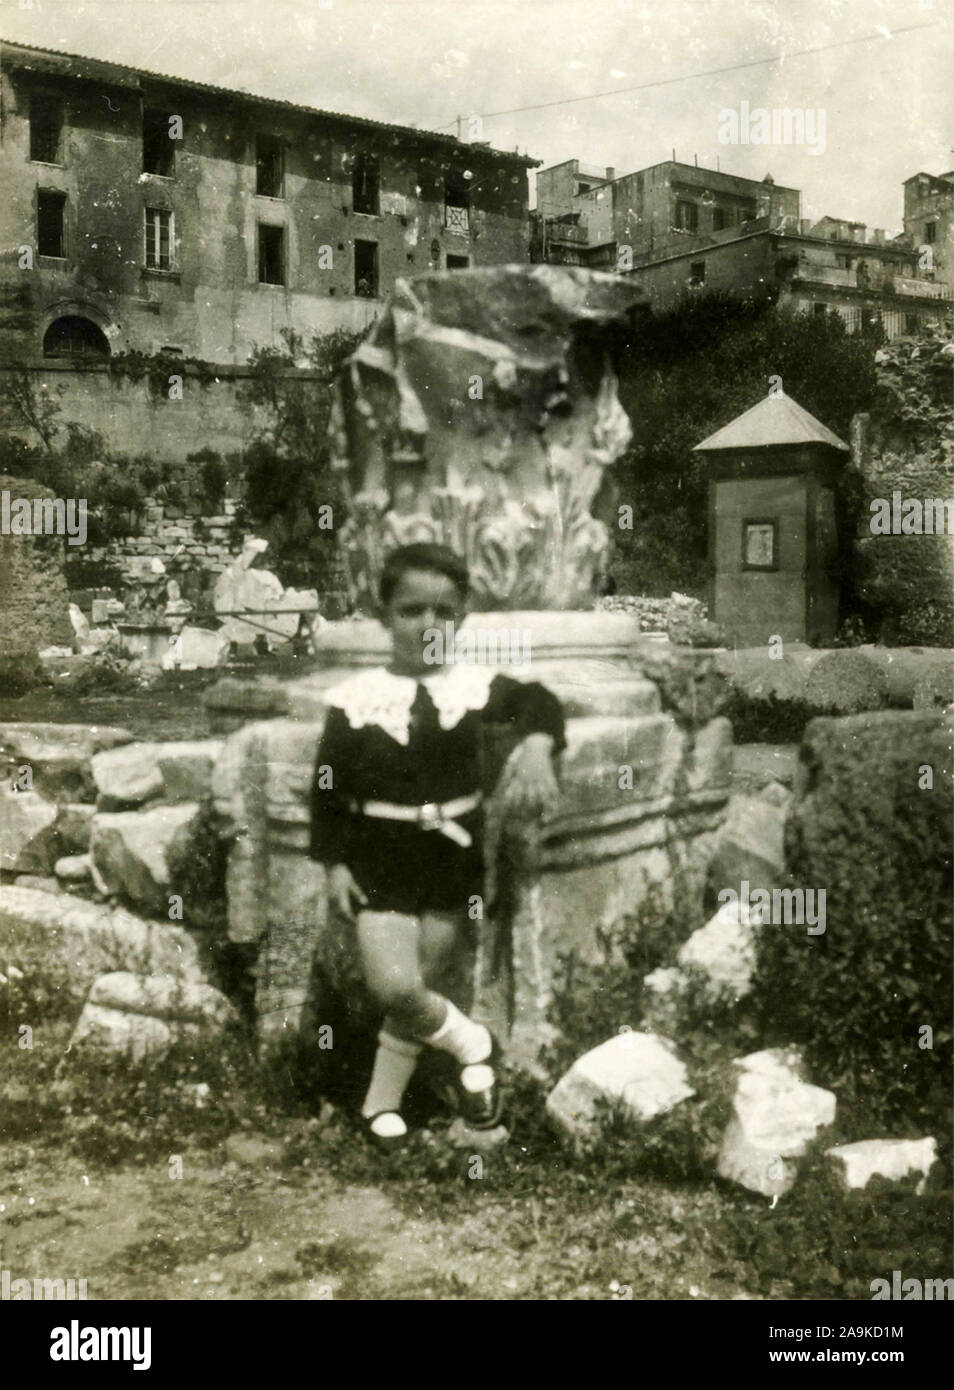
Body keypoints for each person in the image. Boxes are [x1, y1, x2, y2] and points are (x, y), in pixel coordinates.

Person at [309, 542, 565, 1147]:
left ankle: (380, 1107)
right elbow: (327, 787)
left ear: (462, 618)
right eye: (411, 610)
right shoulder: (355, 699)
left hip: (452, 859)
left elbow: (541, 702)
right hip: (380, 858)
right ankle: (473, 1044)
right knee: (396, 986)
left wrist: (536, 747)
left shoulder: (474, 687)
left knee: (422, 982)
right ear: (383, 616)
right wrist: (334, 862)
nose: (428, 625)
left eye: (443, 612)